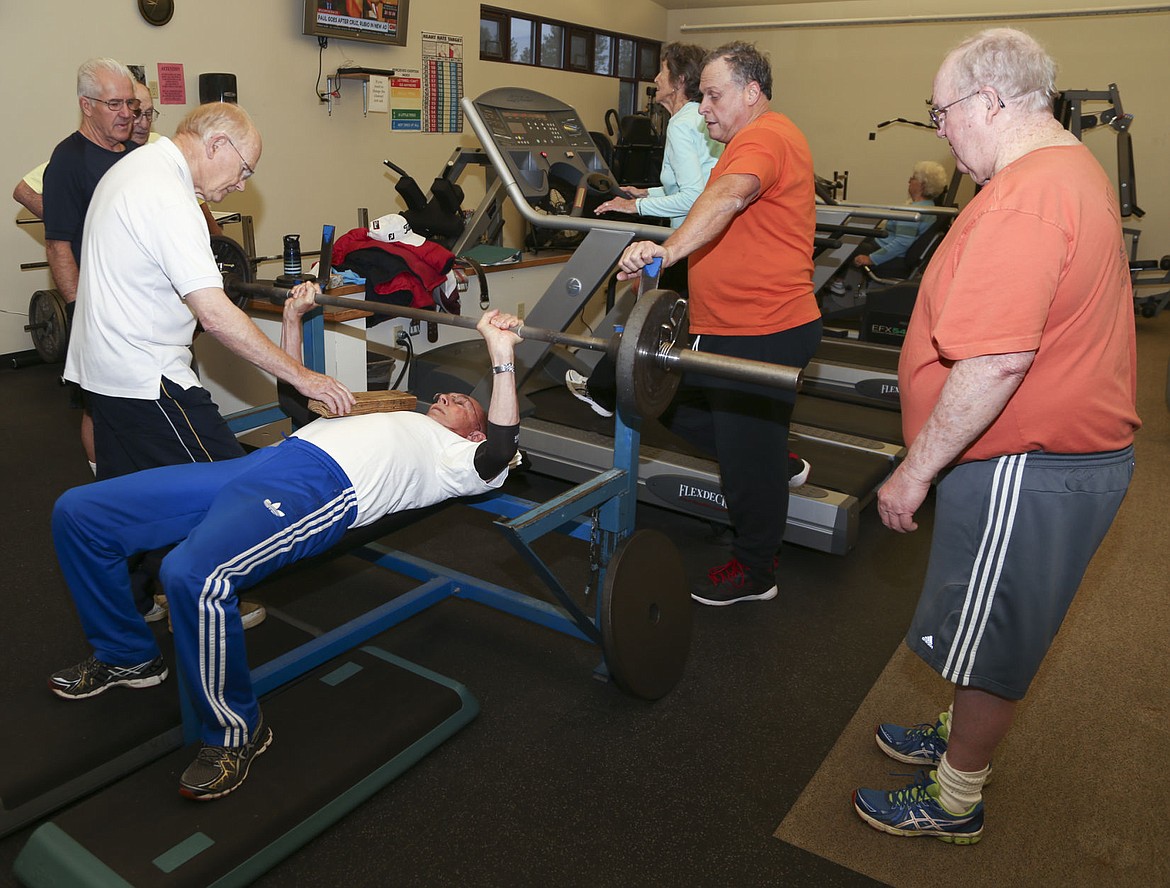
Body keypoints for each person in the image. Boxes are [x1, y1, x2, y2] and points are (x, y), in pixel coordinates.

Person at [47, 293, 524, 801]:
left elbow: (500, 449)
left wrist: (500, 351)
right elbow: (294, 403)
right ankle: (126, 655)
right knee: (80, 512)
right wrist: (293, 318)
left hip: (317, 489)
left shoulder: (456, 456)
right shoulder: (391, 408)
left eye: (462, 404)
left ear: (473, 429)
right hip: (263, 463)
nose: (448, 397)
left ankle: (236, 734)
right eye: (447, 395)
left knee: (194, 574)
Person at [851, 28, 1139, 844]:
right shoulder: (1063, 169)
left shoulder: (1026, 196)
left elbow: (999, 359)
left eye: (940, 113)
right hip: (1047, 457)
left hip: (1033, 461)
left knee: (996, 638)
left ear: (988, 101)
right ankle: (958, 738)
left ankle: (955, 797)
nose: (939, 130)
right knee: (989, 619)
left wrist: (914, 472)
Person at [614, 42, 823, 606]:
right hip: (728, 326)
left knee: (742, 454)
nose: (701, 107)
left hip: (763, 330)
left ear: (751, 93)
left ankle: (756, 571)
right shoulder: (742, 141)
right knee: (667, 405)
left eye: (713, 95)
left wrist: (664, 253)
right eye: (701, 94)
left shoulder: (766, 137)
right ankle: (769, 453)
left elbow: (730, 197)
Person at [566, 43, 723, 417]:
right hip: (702, 242)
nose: (655, 79)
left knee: (644, 319)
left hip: (686, 241)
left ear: (680, 80)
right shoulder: (697, 120)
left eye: (662, 72)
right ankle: (609, 391)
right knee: (658, 318)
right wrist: (647, 191)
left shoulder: (685, 123)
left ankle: (606, 394)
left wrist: (631, 205)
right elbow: (694, 182)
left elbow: (692, 197)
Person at [851, 160, 949, 276]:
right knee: (853, 237)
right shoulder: (930, 207)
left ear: (922, 184)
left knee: (846, 244)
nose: (909, 181)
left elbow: (902, 243)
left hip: (891, 255)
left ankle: (837, 282)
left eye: (913, 178)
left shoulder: (913, 213)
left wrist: (871, 259)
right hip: (888, 247)